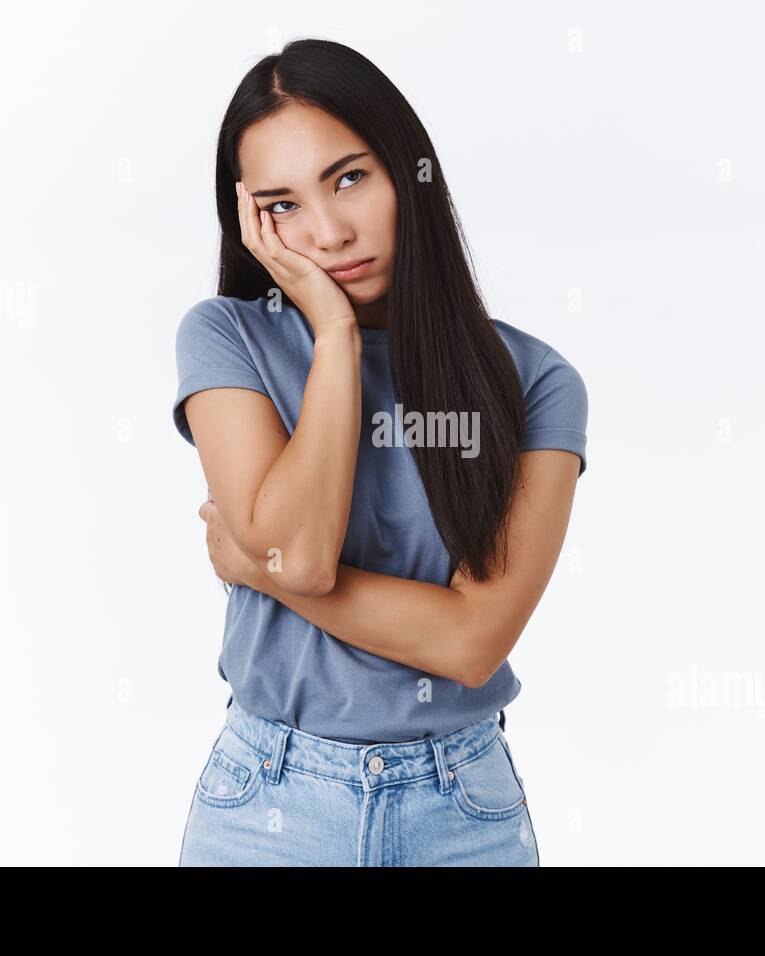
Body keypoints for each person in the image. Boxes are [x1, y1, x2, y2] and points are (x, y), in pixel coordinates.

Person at [172, 38, 587, 866]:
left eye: (350, 177)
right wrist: (332, 333)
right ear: (254, 222)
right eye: (284, 205)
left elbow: (471, 644)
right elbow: (306, 550)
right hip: (268, 802)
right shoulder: (226, 339)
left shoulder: (537, 382)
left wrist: (260, 569)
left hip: (461, 809)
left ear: (408, 170)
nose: (327, 231)